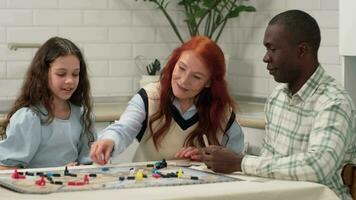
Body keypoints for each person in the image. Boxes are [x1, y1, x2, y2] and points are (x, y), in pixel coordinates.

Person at [202, 10, 356, 200]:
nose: (265, 58)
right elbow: (269, 163)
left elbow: (317, 167)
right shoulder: (277, 97)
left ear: (302, 51)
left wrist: (239, 162)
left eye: (272, 49)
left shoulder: (334, 102)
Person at [90, 36, 244, 165]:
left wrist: (208, 158)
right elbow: (123, 128)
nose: (183, 81)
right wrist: (109, 141)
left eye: (196, 77)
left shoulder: (223, 113)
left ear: (209, 82)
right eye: (181, 68)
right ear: (173, 63)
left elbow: (237, 160)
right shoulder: (149, 97)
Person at [0, 37, 96, 169]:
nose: (70, 81)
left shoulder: (82, 115)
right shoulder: (29, 118)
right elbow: (5, 169)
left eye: (75, 74)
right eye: (61, 74)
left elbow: (89, 163)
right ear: (43, 74)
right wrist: (57, 173)